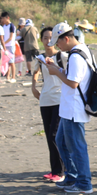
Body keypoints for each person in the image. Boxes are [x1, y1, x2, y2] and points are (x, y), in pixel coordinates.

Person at [43, 22, 94, 194]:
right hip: (69, 107)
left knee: (77, 146)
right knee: (62, 142)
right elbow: (72, 77)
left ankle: (84, 183)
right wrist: (57, 69)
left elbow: (73, 82)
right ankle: (72, 177)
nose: (57, 46)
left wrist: (56, 72)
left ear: (66, 38)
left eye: (58, 42)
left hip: (74, 107)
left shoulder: (76, 55)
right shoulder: (79, 51)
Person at [31, 26, 65, 183]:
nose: (47, 41)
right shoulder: (40, 58)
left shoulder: (62, 56)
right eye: (44, 38)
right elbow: (36, 72)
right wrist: (33, 87)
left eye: (50, 38)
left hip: (59, 99)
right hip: (45, 100)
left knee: (55, 135)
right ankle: (54, 170)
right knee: (49, 135)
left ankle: (61, 171)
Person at [0, 12, 17, 83]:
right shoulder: (4, 26)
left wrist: (3, 43)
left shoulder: (12, 26)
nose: (3, 20)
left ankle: (13, 77)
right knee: (6, 61)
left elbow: (11, 37)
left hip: (11, 45)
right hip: (5, 46)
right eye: (2, 18)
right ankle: (7, 77)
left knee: (12, 62)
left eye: (4, 18)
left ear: (8, 18)